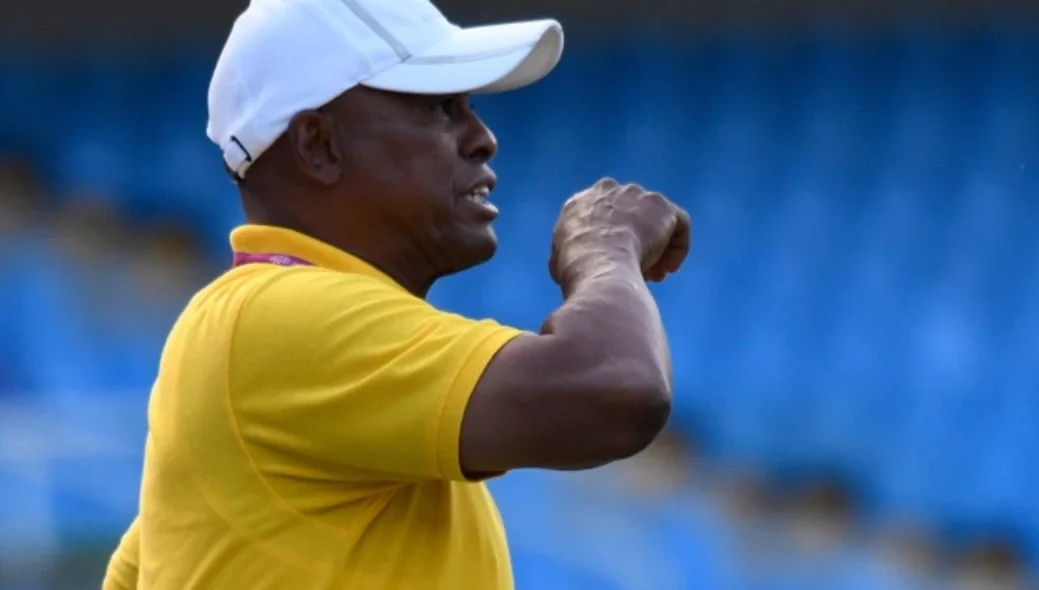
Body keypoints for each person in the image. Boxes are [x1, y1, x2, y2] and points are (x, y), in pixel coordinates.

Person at [102, 0, 691, 587]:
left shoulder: (265, 353)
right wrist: (604, 245)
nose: (482, 138)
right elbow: (616, 391)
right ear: (319, 145)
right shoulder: (274, 316)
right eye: (440, 108)